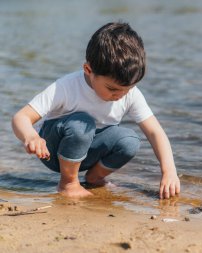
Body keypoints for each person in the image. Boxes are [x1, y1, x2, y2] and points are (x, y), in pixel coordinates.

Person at [11, 22, 180, 199]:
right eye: (112, 89)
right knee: (83, 123)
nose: (120, 95)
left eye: (128, 89)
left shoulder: (129, 94)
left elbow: (155, 132)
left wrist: (169, 171)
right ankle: (68, 183)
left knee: (130, 140)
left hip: (88, 152)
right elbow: (21, 117)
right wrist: (31, 137)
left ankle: (94, 178)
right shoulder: (67, 87)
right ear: (88, 69)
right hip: (54, 152)